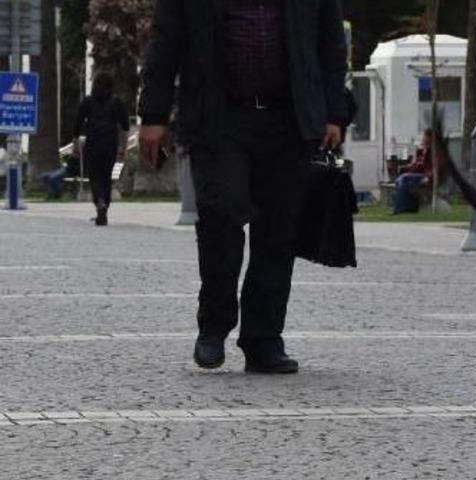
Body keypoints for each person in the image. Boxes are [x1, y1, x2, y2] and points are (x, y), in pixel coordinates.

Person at [138, 0, 348, 374]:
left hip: (289, 119)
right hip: (218, 116)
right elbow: (165, 41)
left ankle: (263, 339)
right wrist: (153, 114)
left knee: (278, 233)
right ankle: (214, 325)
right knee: (220, 214)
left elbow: (331, 43)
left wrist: (335, 112)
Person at [73, 73, 130, 225]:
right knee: (106, 177)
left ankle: (99, 202)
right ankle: (104, 207)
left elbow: (78, 123)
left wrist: (76, 143)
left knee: (94, 176)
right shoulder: (116, 102)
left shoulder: (87, 101)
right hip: (110, 144)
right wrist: (123, 148)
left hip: (93, 143)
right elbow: (125, 126)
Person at [392, 130, 435, 214]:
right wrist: (407, 167)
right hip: (419, 173)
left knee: (404, 178)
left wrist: (428, 177)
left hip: (426, 176)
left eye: (424, 137)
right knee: (400, 181)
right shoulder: (422, 149)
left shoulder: (432, 150)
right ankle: (409, 207)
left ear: (429, 138)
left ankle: (400, 209)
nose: (422, 139)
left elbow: (424, 166)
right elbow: (416, 163)